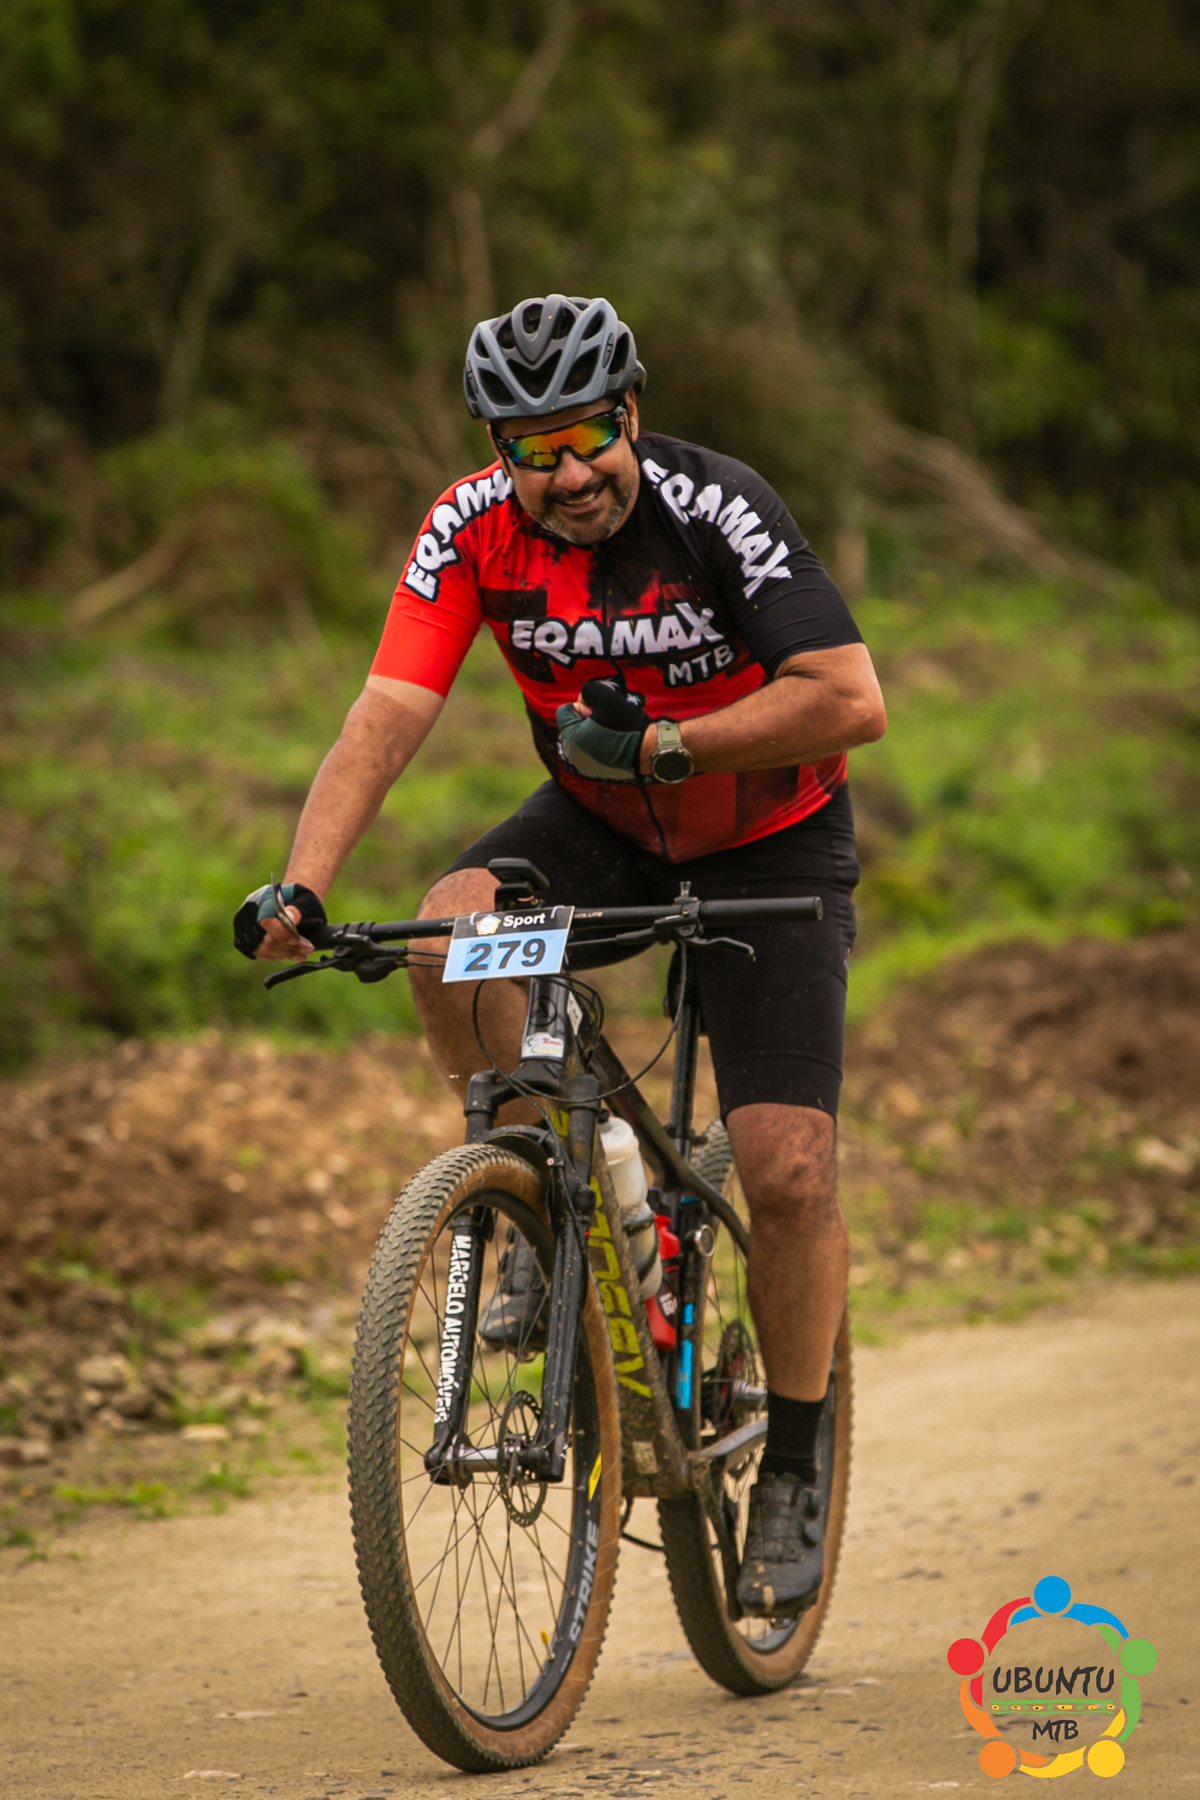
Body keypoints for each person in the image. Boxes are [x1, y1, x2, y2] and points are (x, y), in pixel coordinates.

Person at [236, 294, 886, 1618]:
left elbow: (849, 699)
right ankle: (534, 1198)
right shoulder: (468, 527)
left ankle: (794, 1465)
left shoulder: (717, 508)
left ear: (630, 413)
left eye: (590, 435)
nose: (571, 472)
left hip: (770, 836)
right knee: (451, 934)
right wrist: (304, 881)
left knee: (786, 1167)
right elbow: (387, 709)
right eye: (536, 450)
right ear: (501, 452)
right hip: (600, 824)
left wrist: (668, 745)